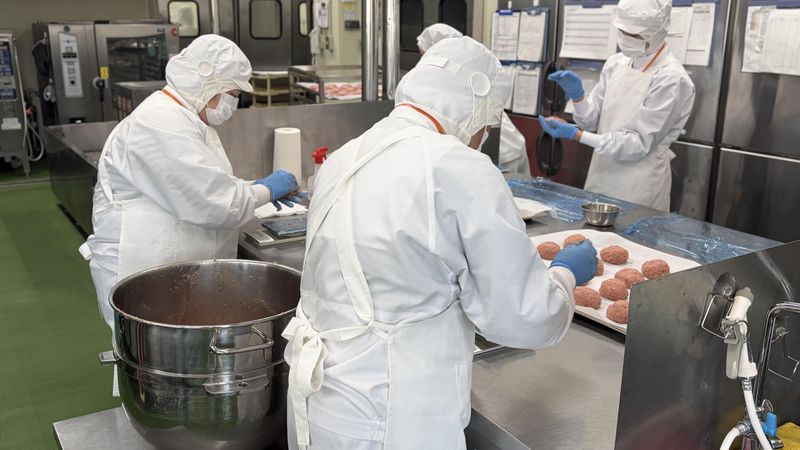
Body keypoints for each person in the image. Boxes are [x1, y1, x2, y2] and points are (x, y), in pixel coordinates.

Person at [282, 37, 597, 450]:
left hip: (322, 400)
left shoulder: (346, 155)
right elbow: (525, 315)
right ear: (476, 110)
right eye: (488, 127)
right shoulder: (458, 166)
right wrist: (564, 274)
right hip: (392, 415)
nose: (482, 137)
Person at [79, 35, 300, 328]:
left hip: (168, 271)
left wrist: (250, 188)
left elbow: (205, 184)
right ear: (208, 83)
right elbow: (218, 204)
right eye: (233, 93)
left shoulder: (185, 118)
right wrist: (267, 190)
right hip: (143, 270)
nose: (233, 104)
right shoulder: (160, 124)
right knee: (150, 352)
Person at [539, 0, 695, 211]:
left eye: (635, 35)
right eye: (622, 31)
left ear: (658, 32)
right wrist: (578, 97)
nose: (626, 38)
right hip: (601, 175)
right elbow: (590, 121)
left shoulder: (671, 78)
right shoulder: (616, 63)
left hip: (639, 186)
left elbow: (636, 144)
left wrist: (576, 135)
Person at [418, 24, 530, 175]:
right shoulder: (458, 77)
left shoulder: (455, 81)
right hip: (507, 145)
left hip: (503, 150)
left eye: (425, 54)